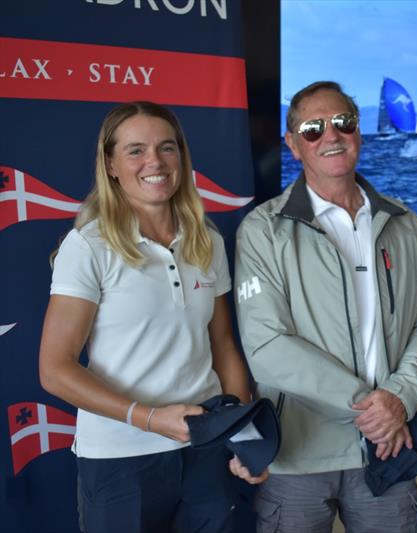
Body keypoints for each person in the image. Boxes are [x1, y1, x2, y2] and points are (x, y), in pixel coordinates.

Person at [38, 101, 266, 533]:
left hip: (204, 449)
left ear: (181, 156)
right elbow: (54, 369)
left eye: (167, 148)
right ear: (110, 164)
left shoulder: (207, 241)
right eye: (135, 150)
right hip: (120, 460)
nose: (154, 162)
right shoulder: (89, 246)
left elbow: (223, 347)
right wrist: (149, 418)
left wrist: (242, 437)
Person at [234, 81, 417, 533]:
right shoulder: (262, 230)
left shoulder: (404, 222)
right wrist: (372, 408)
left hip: (388, 448)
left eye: (343, 123)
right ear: (293, 145)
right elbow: (267, 346)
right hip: (300, 451)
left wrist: (400, 398)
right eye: (312, 128)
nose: (330, 135)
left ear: (359, 133)